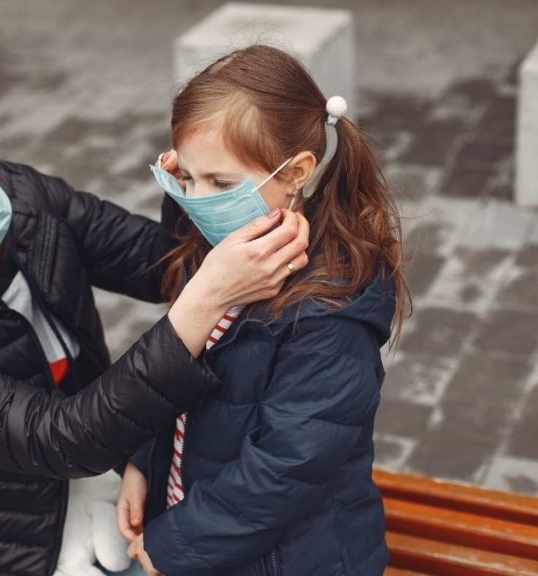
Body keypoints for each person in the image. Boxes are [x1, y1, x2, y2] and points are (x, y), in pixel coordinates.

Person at [0, 89, 310, 576]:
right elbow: (62, 439)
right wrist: (206, 300)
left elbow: (155, 264)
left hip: (88, 465)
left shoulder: (21, 195)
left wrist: (199, 196)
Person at [116, 45, 408, 576]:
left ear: (296, 171)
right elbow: (176, 376)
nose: (198, 200)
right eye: (186, 177)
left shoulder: (331, 307)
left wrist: (176, 543)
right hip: (197, 527)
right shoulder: (214, 246)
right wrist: (143, 462)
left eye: (221, 184)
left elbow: (286, 468)